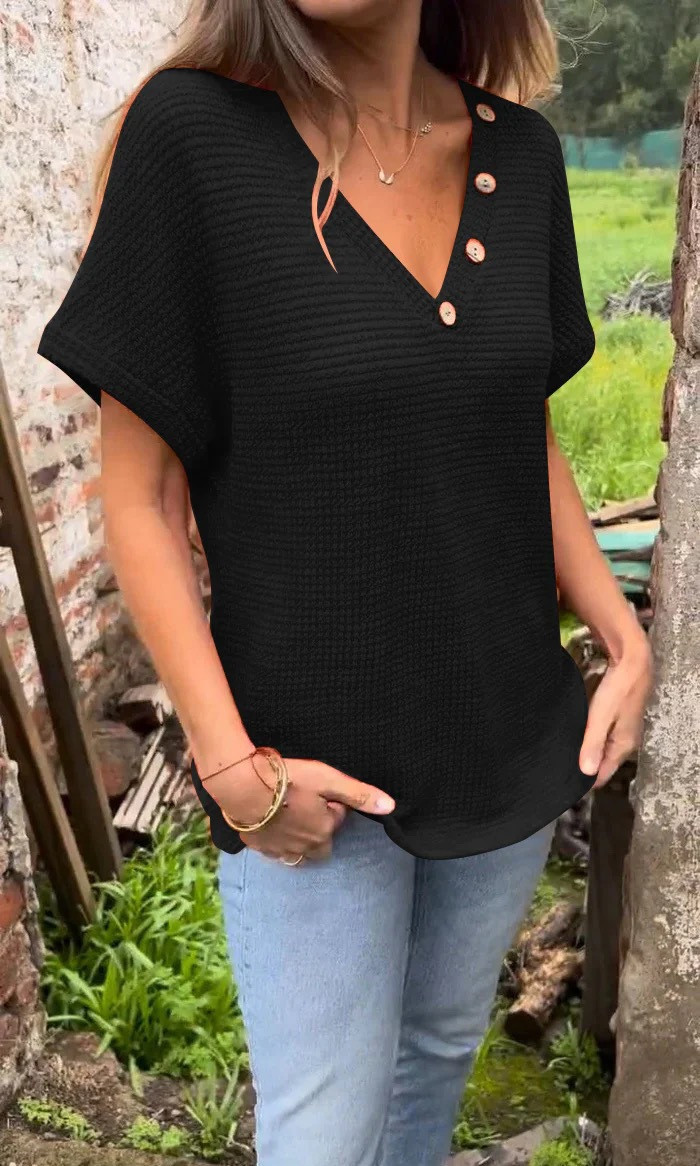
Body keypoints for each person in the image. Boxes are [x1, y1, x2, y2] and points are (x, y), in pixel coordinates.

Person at [37, 2, 652, 1163]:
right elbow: (142, 500)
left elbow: (519, 429)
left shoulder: (520, 158)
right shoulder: (194, 138)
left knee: (432, 1067)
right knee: (322, 1132)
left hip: (508, 738)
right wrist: (234, 771)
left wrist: (622, 633)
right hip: (307, 778)